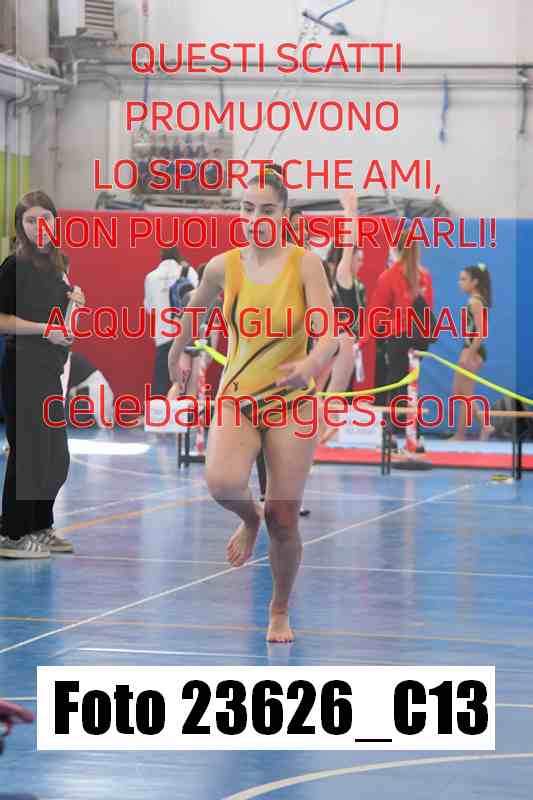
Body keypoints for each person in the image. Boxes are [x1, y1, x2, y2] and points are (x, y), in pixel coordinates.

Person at [168, 164, 338, 642]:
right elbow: (196, 309)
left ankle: (279, 609)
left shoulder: (306, 265)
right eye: (247, 209)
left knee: (285, 518)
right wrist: (177, 351)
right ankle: (249, 516)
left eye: (266, 210)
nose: (255, 219)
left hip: (292, 402)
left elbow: (329, 334)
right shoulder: (223, 266)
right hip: (238, 396)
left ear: (284, 214)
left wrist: (311, 364)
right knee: (222, 483)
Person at [0, 191, 85, 558]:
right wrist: (43, 330)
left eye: (45, 219)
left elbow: (59, 317)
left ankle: (39, 525)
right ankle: (12, 534)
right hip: (23, 368)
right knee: (29, 452)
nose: (39, 227)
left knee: (54, 455)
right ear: (20, 226)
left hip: (51, 368)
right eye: (31, 221)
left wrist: (75, 303)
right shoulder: (14, 266)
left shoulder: (57, 264)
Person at [370, 229, 434, 439]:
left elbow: (379, 311)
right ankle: (412, 429)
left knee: (396, 380)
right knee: (411, 382)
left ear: (396, 249)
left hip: (398, 336)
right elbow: (428, 309)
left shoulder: (389, 275)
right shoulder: (425, 276)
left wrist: (377, 336)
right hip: (420, 338)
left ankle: (394, 427)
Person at [144, 246, 199, 397]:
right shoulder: (189, 272)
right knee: (186, 380)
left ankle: (158, 410)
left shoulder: (151, 277)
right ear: (178, 255)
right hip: (184, 333)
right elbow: (198, 300)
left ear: (161, 255)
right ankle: (186, 410)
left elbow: (149, 308)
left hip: (162, 334)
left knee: (161, 380)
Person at [450, 263, 493, 440]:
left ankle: (462, 434)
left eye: (463, 279)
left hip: (472, 350)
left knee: (465, 395)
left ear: (474, 282)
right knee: (460, 394)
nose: (459, 282)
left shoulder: (475, 302)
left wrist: (470, 354)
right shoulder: (476, 300)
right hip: (469, 348)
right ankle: (483, 425)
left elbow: (481, 332)